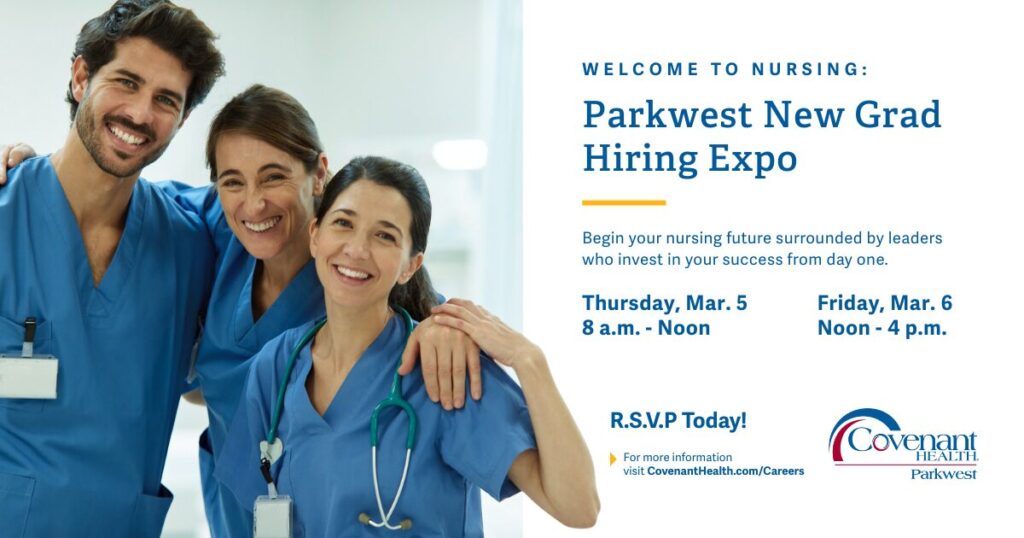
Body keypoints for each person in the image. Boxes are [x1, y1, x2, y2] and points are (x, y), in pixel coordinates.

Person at [215, 156, 600, 536]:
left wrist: (529, 360)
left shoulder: (444, 369)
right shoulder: (276, 368)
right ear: (315, 235)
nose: (357, 249)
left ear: (410, 265)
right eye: (343, 223)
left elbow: (578, 507)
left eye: (385, 235)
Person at [185, 84, 485, 537]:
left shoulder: (354, 280)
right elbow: (135, 197)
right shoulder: (222, 235)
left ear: (319, 173)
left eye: (273, 177)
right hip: (236, 514)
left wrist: (445, 328)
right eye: (232, 181)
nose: (253, 202)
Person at [0, 1, 225, 536]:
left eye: (166, 99)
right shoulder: (8, 215)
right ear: (81, 77)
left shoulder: (194, 239)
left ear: (184, 118)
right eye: (126, 82)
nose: (141, 114)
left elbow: (315, 238)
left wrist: (432, 317)